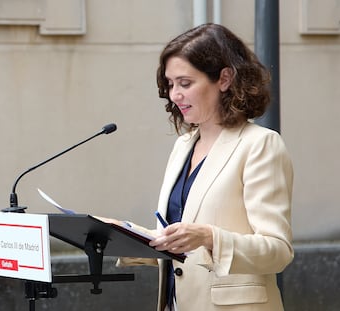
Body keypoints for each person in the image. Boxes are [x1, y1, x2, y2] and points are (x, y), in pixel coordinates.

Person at [120, 23, 294, 311]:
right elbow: (180, 240)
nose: (174, 95)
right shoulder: (183, 146)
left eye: (185, 83)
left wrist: (210, 237)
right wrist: (120, 234)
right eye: (170, 84)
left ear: (224, 79)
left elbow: (278, 251)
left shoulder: (261, 144)